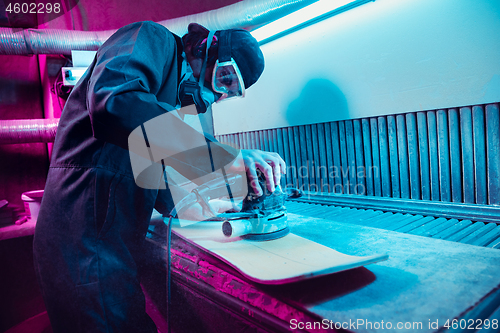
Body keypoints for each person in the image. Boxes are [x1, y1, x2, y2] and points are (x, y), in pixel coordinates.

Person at [33, 21, 285, 332]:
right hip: (82, 238)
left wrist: (203, 208)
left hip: (107, 243)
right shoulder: (151, 38)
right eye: (222, 78)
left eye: (227, 92)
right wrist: (225, 158)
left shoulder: (163, 103)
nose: (215, 96)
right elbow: (114, 103)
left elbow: (152, 170)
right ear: (201, 46)